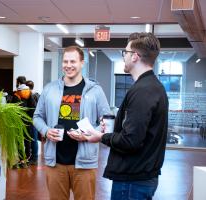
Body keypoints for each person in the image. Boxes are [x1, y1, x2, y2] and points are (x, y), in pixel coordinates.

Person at [85, 32, 169, 200]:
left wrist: (102, 136)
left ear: (135, 57)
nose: (124, 57)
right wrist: (115, 126)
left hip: (133, 181)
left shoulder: (143, 91)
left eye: (126, 53)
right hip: (140, 177)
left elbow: (131, 141)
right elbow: (140, 130)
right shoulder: (152, 87)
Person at [33, 45, 111, 200]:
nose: (68, 66)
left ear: (82, 63)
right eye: (65, 61)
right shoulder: (50, 89)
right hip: (55, 162)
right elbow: (37, 116)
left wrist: (88, 134)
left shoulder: (95, 90)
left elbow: (107, 120)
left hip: (84, 163)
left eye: (73, 61)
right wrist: (46, 131)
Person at [25, 80, 40, 164]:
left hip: (32, 119)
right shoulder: (37, 95)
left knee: (33, 139)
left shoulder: (31, 95)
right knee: (33, 138)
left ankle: (34, 158)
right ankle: (34, 157)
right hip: (35, 119)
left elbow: (32, 109)